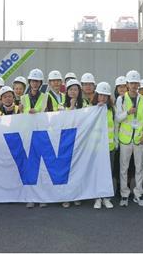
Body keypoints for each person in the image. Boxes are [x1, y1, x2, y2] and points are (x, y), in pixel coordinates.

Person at [116, 70, 143, 207]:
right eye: (132, 83)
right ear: (127, 84)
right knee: (123, 168)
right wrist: (127, 113)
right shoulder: (121, 99)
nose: (135, 86)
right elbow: (118, 118)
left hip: (139, 139)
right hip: (125, 139)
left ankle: (138, 194)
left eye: (136, 83)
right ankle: (124, 195)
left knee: (139, 168)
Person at [22, 69, 48, 208]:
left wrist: (37, 112)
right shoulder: (22, 98)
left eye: (37, 81)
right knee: (30, 167)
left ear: (40, 83)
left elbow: (49, 114)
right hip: (28, 135)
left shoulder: (45, 96)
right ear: (29, 82)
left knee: (42, 166)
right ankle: (31, 196)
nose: (35, 83)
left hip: (41, 134)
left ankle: (42, 197)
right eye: (33, 81)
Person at [62, 79, 87, 208]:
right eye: (71, 89)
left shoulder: (85, 105)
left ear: (79, 91)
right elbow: (63, 121)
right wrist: (71, 106)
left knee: (78, 169)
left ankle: (77, 195)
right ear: (67, 91)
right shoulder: (62, 105)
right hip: (66, 141)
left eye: (75, 89)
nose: (73, 91)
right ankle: (66, 197)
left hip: (80, 142)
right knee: (67, 170)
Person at [91, 82, 116, 209]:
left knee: (108, 173)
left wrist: (115, 142)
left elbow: (115, 127)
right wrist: (96, 108)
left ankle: (106, 197)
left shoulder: (112, 110)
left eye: (105, 96)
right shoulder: (91, 109)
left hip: (109, 147)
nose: (103, 98)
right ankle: (97, 198)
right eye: (100, 95)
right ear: (97, 95)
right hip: (96, 148)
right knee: (97, 172)